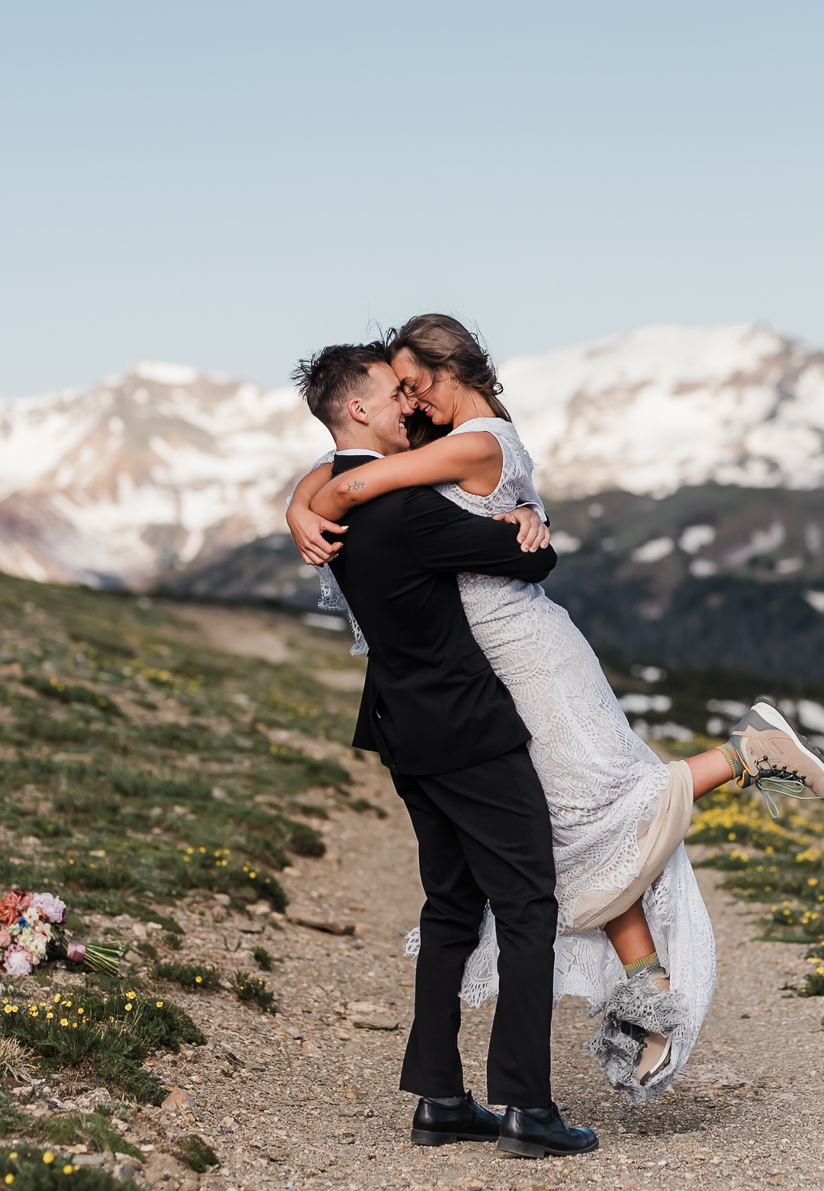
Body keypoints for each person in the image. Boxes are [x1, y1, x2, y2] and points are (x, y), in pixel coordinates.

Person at [288, 318, 824, 1102]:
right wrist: (298, 502)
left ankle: (746, 755)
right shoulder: (433, 446)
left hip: (528, 655)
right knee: (572, 825)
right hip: (494, 667)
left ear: (448, 375)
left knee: (594, 809)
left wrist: (314, 502)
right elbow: (343, 462)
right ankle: (646, 993)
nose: (406, 403)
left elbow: (356, 480)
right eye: (396, 391)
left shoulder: (477, 442)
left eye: (412, 385)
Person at [290, 342, 596, 1158]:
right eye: (394, 395)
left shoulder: (335, 502)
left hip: (402, 729)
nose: (409, 408)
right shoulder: (407, 508)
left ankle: (441, 1097)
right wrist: (529, 519)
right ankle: (528, 1106)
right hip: (465, 730)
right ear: (357, 409)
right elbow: (536, 559)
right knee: (529, 904)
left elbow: (334, 475)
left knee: (451, 906)